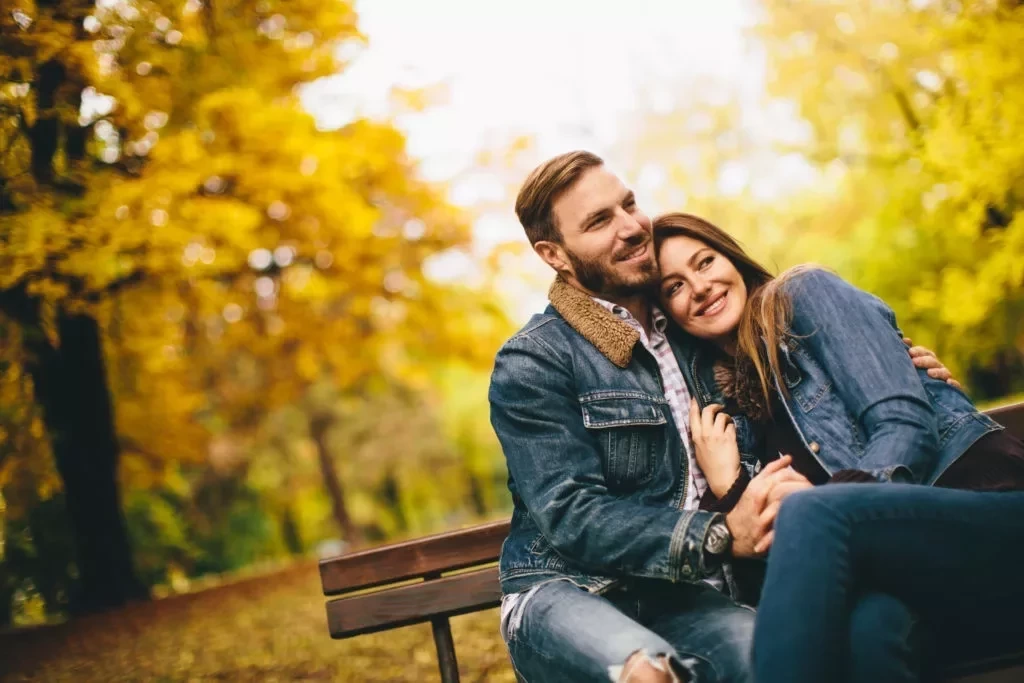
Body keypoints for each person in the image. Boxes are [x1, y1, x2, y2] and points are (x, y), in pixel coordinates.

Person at [488, 151, 955, 683]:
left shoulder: (694, 331)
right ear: (555, 254)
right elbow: (572, 514)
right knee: (648, 674)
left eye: (629, 204)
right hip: (569, 590)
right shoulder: (536, 360)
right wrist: (716, 535)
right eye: (599, 221)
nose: (630, 227)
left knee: (784, 662)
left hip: (687, 596)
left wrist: (902, 368)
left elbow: (795, 384)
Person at [652, 211, 1024, 680]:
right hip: (920, 585)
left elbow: (904, 425)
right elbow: (778, 581)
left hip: (987, 515)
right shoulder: (731, 421)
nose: (699, 287)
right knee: (867, 634)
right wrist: (731, 492)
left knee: (811, 513)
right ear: (669, 317)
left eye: (704, 262)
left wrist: (830, 505)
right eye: (675, 287)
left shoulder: (805, 298)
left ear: (733, 260)